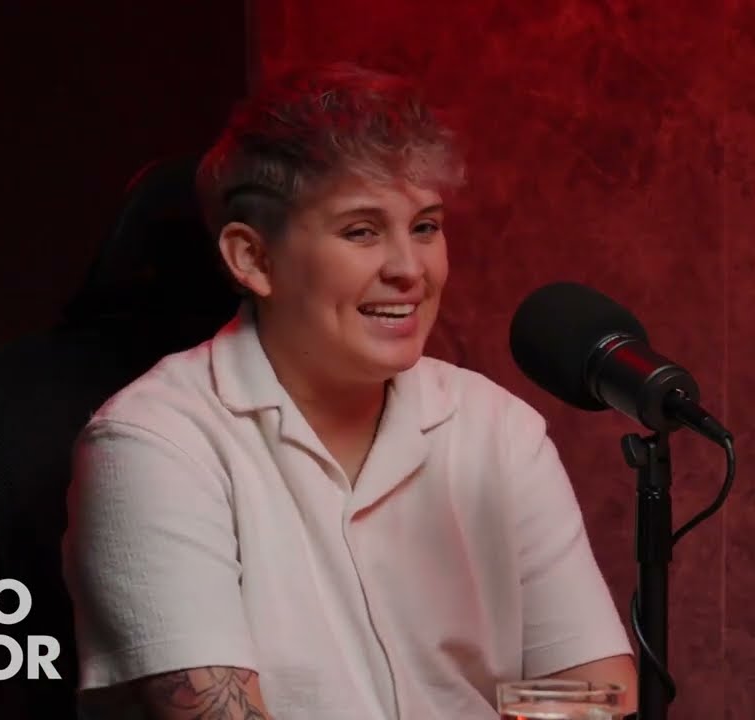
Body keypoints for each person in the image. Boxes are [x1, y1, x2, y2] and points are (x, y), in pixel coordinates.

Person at [62, 62, 637, 720]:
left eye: (425, 227)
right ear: (254, 258)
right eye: (362, 231)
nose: (410, 270)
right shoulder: (153, 445)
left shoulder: (500, 430)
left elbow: (600, 690)